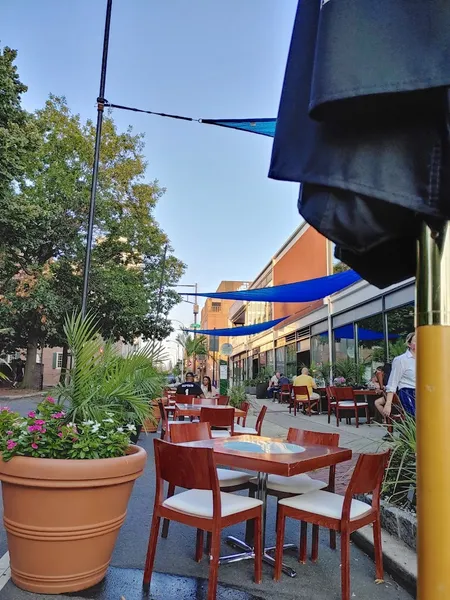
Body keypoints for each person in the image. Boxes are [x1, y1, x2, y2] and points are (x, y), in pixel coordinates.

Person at [375, 333, 416, 418]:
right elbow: (393, 382)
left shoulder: (427, 359)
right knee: (415, 418)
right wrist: (388, 404)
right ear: (409, 344)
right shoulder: (401, 360)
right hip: (408, 392)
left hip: (425, 393)